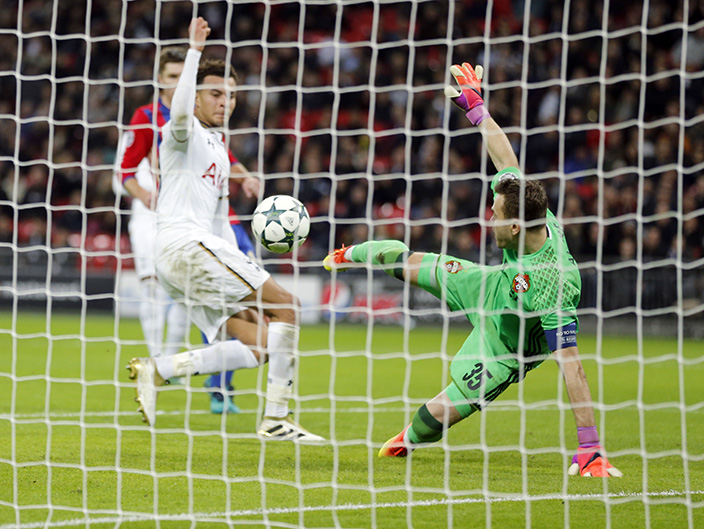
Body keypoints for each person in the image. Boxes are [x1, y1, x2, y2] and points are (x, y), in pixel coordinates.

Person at [324, 62, 622, 477]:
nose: (489, 217)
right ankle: (350, 253)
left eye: (495, 214)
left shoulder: (553, 283)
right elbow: (505, 156)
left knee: (432, 418)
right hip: (489, 286)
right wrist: (476, 108)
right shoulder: (530, 205)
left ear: (515, 226)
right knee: (409, 263)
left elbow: (571, 363)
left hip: (506, 347)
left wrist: (589, 446)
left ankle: (408, 437)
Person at [127, 17, 324, 442]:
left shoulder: (216, 148)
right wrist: (195, 50)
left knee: (260, 345)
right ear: (194, 96)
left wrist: (245, 260)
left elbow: (218, 221)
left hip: (190, 255)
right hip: (185, 246)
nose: (225, 102)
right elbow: (178, 111)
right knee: (288, 307)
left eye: (231, 95)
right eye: (215, 93)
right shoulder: (181, 133)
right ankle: (276, 419)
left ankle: (157, 370)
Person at [115, 46, 256, 415]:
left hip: (207, 218)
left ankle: (185, 371)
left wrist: (246, 178)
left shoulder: (209, 117)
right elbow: (126, 169)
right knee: (158, 288)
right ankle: (161, 359)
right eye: (174, 77)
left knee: (197, 300)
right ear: (162, 80)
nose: (180, 82)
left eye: (184, 76)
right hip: (162, 216)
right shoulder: (152, 116)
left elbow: (225, 161)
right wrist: (147, 196)